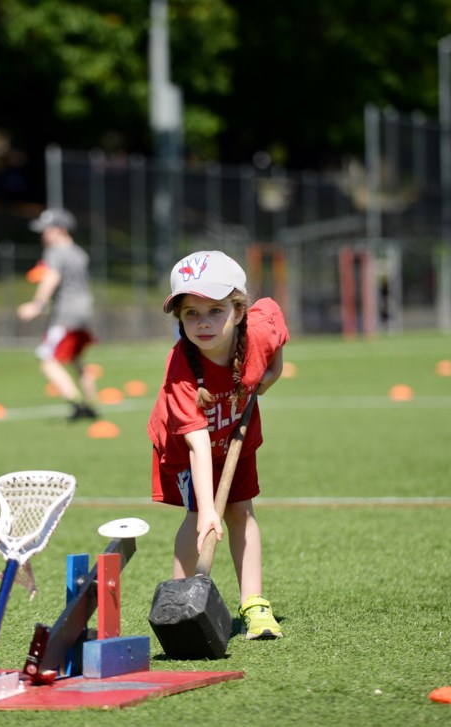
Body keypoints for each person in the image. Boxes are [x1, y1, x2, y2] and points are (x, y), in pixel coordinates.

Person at [148, 250, 290, 640]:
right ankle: (178, 604)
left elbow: (273, 314)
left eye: (215, 310)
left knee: (241, 512)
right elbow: (195, 443)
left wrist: (274, 372)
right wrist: (210, 508)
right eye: (191, 313)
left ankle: (255, 605)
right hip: (186, 446)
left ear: (238, 311)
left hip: (235, 438)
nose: (203, 323)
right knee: (198, 516)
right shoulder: (179, 367)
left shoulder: (257, 332)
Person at [17, 207, 99, 421]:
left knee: (46, 359)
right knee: (76, 358)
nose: (44, 235)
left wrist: (37, 304)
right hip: (84, 311)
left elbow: (51, 278)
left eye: (47, 230)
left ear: (60, 230)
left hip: (66, 313)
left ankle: (77, 404)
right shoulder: (80, 252)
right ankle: (92, 403)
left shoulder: (55, 252)